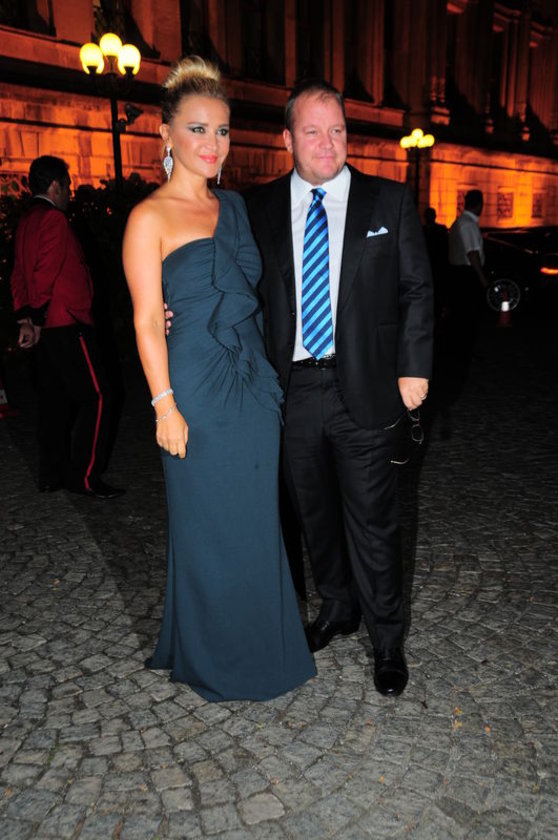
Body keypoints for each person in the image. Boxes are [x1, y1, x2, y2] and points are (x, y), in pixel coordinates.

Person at [122, 56, 315, 702]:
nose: (213, 144)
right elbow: (147, 320)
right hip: (194, 393)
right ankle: (213, 657)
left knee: (255, 518)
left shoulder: (234, 206)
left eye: (223, 130)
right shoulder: (148, 218)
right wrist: (164, 406)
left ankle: (262, 644)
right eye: (198, 129)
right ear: (166, 133)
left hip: (252, 386)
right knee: (206, 522)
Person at [244, 80, 434, 696]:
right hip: (292, 391)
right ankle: (338, 606)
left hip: (367, 388)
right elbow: (238, 288)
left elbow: (416, 289)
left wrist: (414, 367)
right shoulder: (258, 208)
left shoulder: (389, 201)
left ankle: (387, 638)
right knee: (313, 515)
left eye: (337, 130)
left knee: (373, 521)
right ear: (287, 138)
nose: (327, 143)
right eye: (312, 131)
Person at [10, 155, 123, 499]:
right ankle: (85, 477)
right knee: (100, 397)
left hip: (46, 326)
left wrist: (26, 319)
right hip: (66, 321)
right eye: (67, 185)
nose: (70, 192)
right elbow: (46, 272)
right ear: (55, 186)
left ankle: (52, 475)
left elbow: (18, 275)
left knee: (53, 403)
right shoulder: (55, 220)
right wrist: (37, 317)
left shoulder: (26, 221)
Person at [448, 189, 488, 367]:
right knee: (469, 316)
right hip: (467, 274)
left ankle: (462, 352)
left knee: (462, 315)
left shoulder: (461, 221)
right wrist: (482, 278)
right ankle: (464, 353)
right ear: (479, 205)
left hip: (459, 273)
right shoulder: (468, 224)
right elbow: (472, 254)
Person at [423, 206, 449, 325]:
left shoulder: (440, 230)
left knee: (438, 291)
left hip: (437, 266)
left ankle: (437, 312)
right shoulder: (423, 230)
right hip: (429, 266)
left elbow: (444, 248)